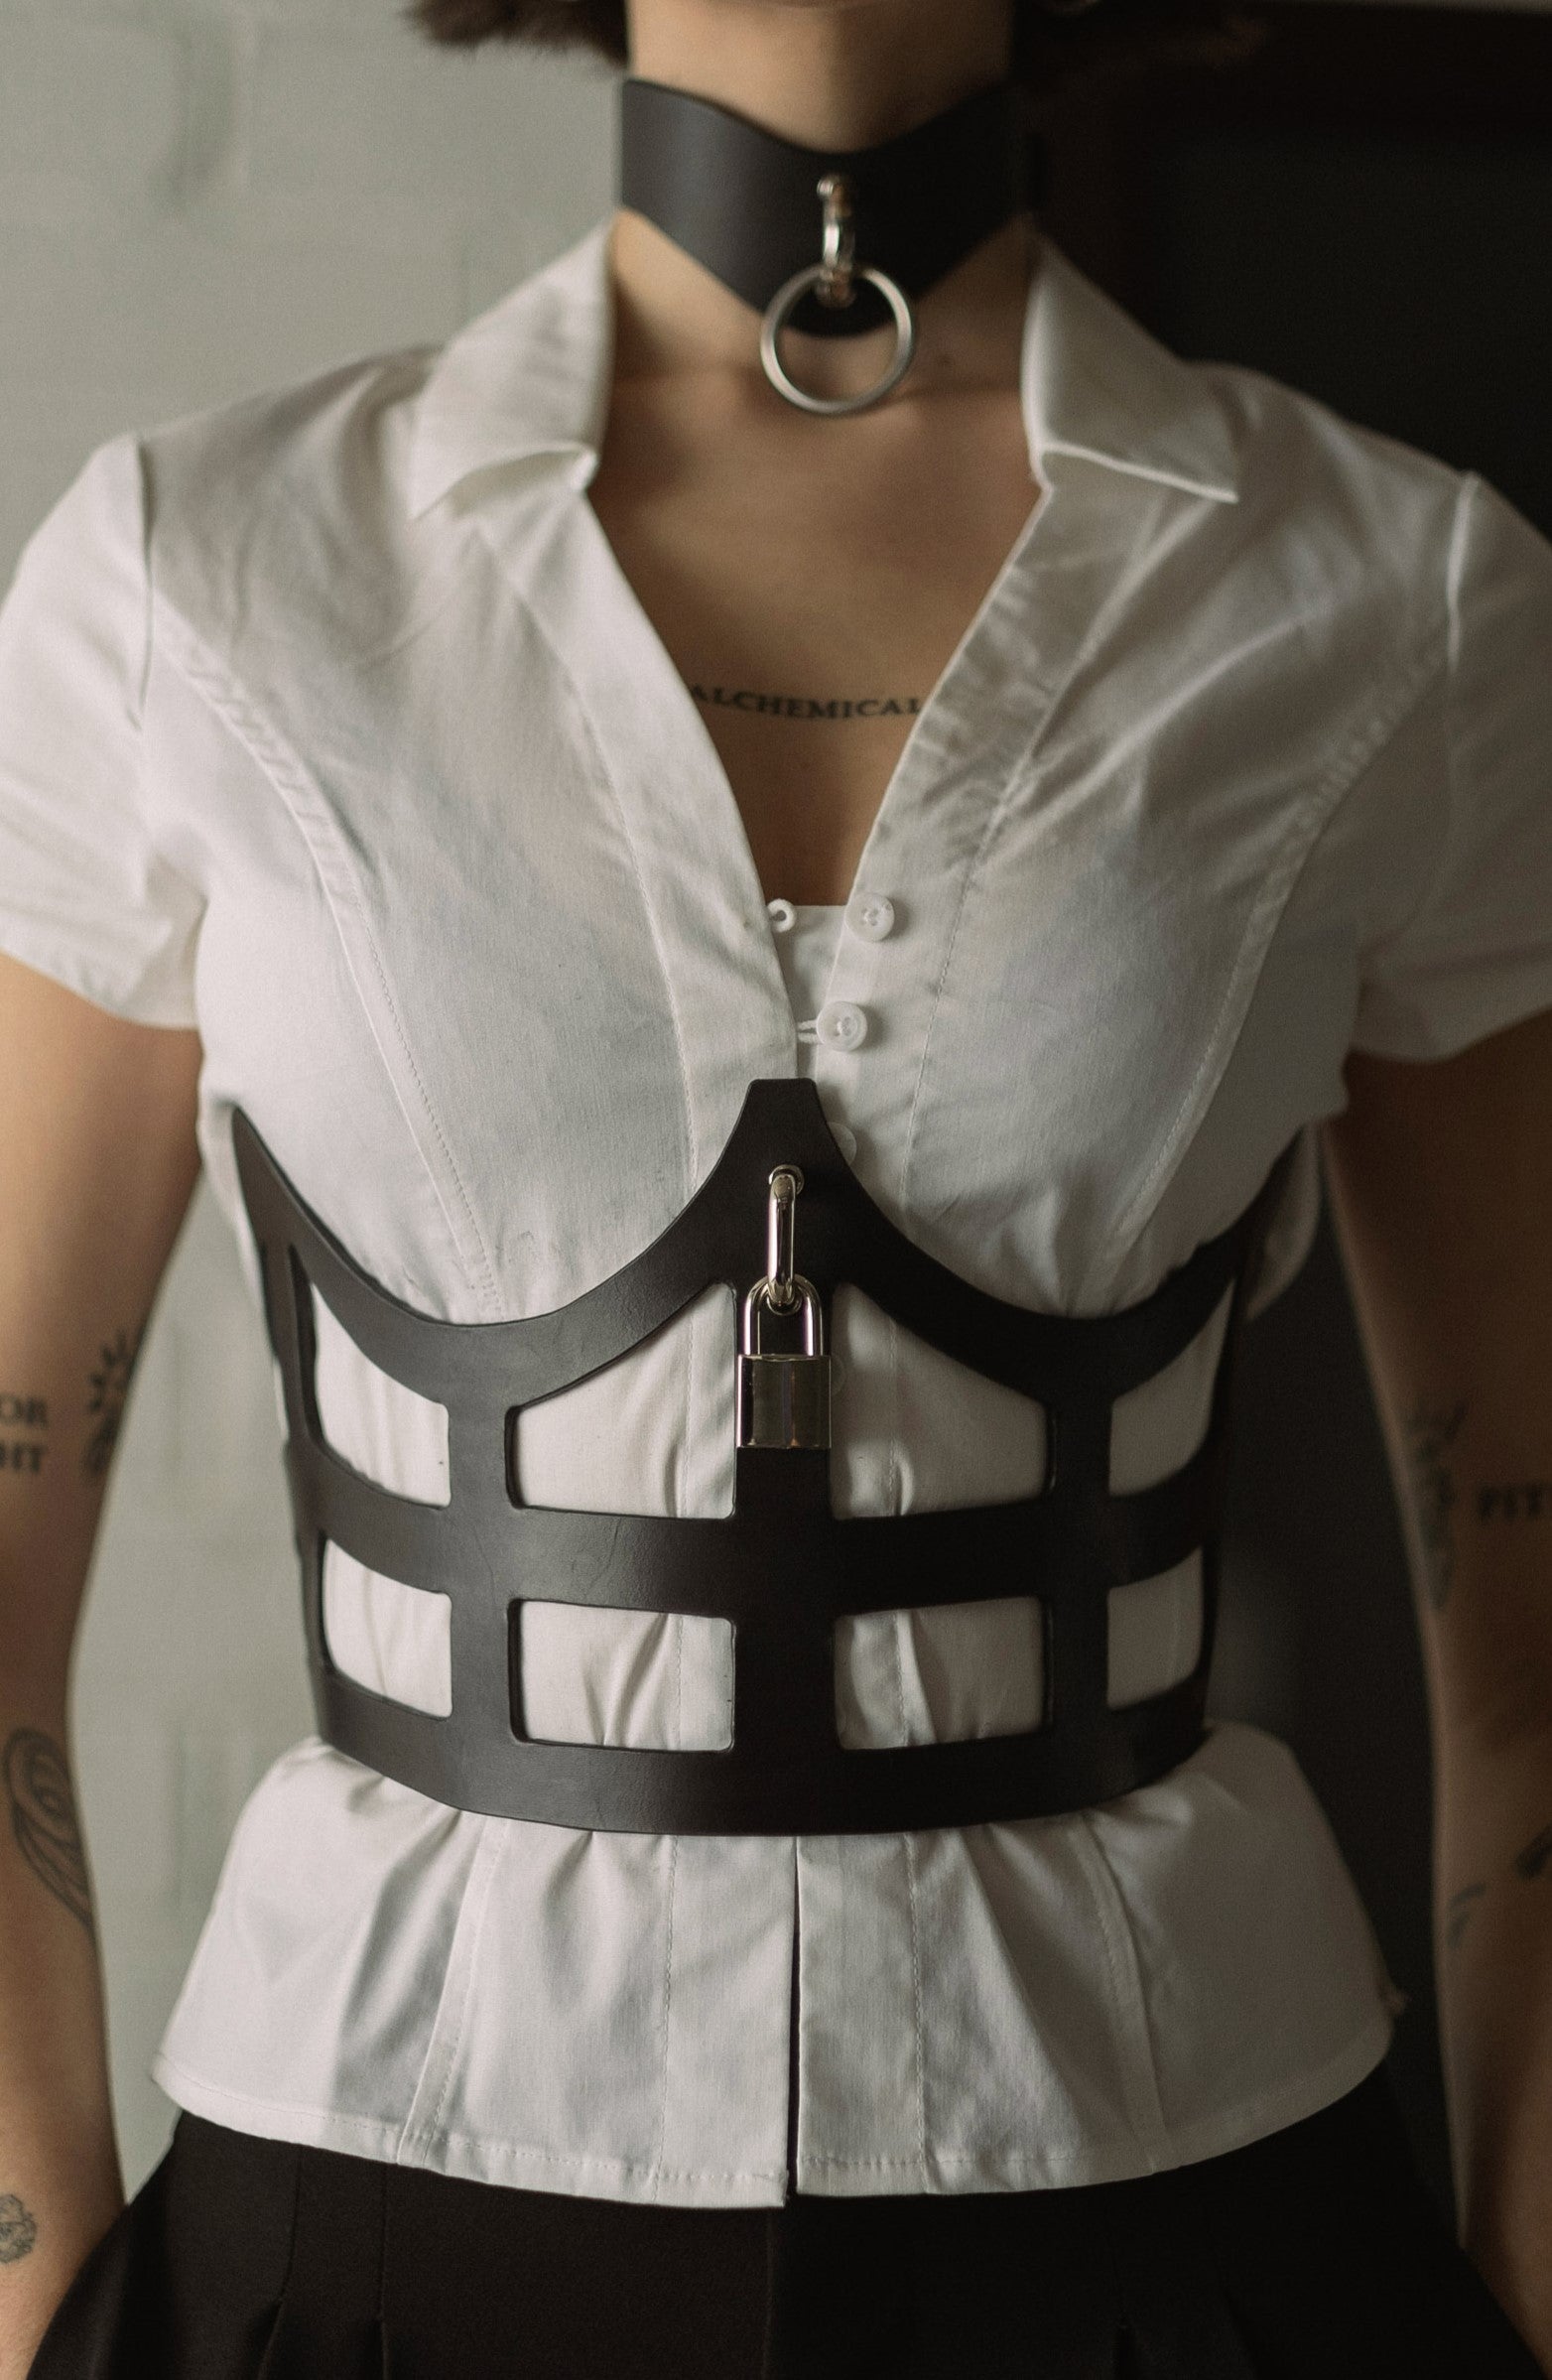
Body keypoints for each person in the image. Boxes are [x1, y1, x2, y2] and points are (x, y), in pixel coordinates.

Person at [1, 0, 1551, 2368]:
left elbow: (1528, 1628)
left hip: (1176, 2197)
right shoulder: (197, 578)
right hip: (380, 2195)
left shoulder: (1396, 599)